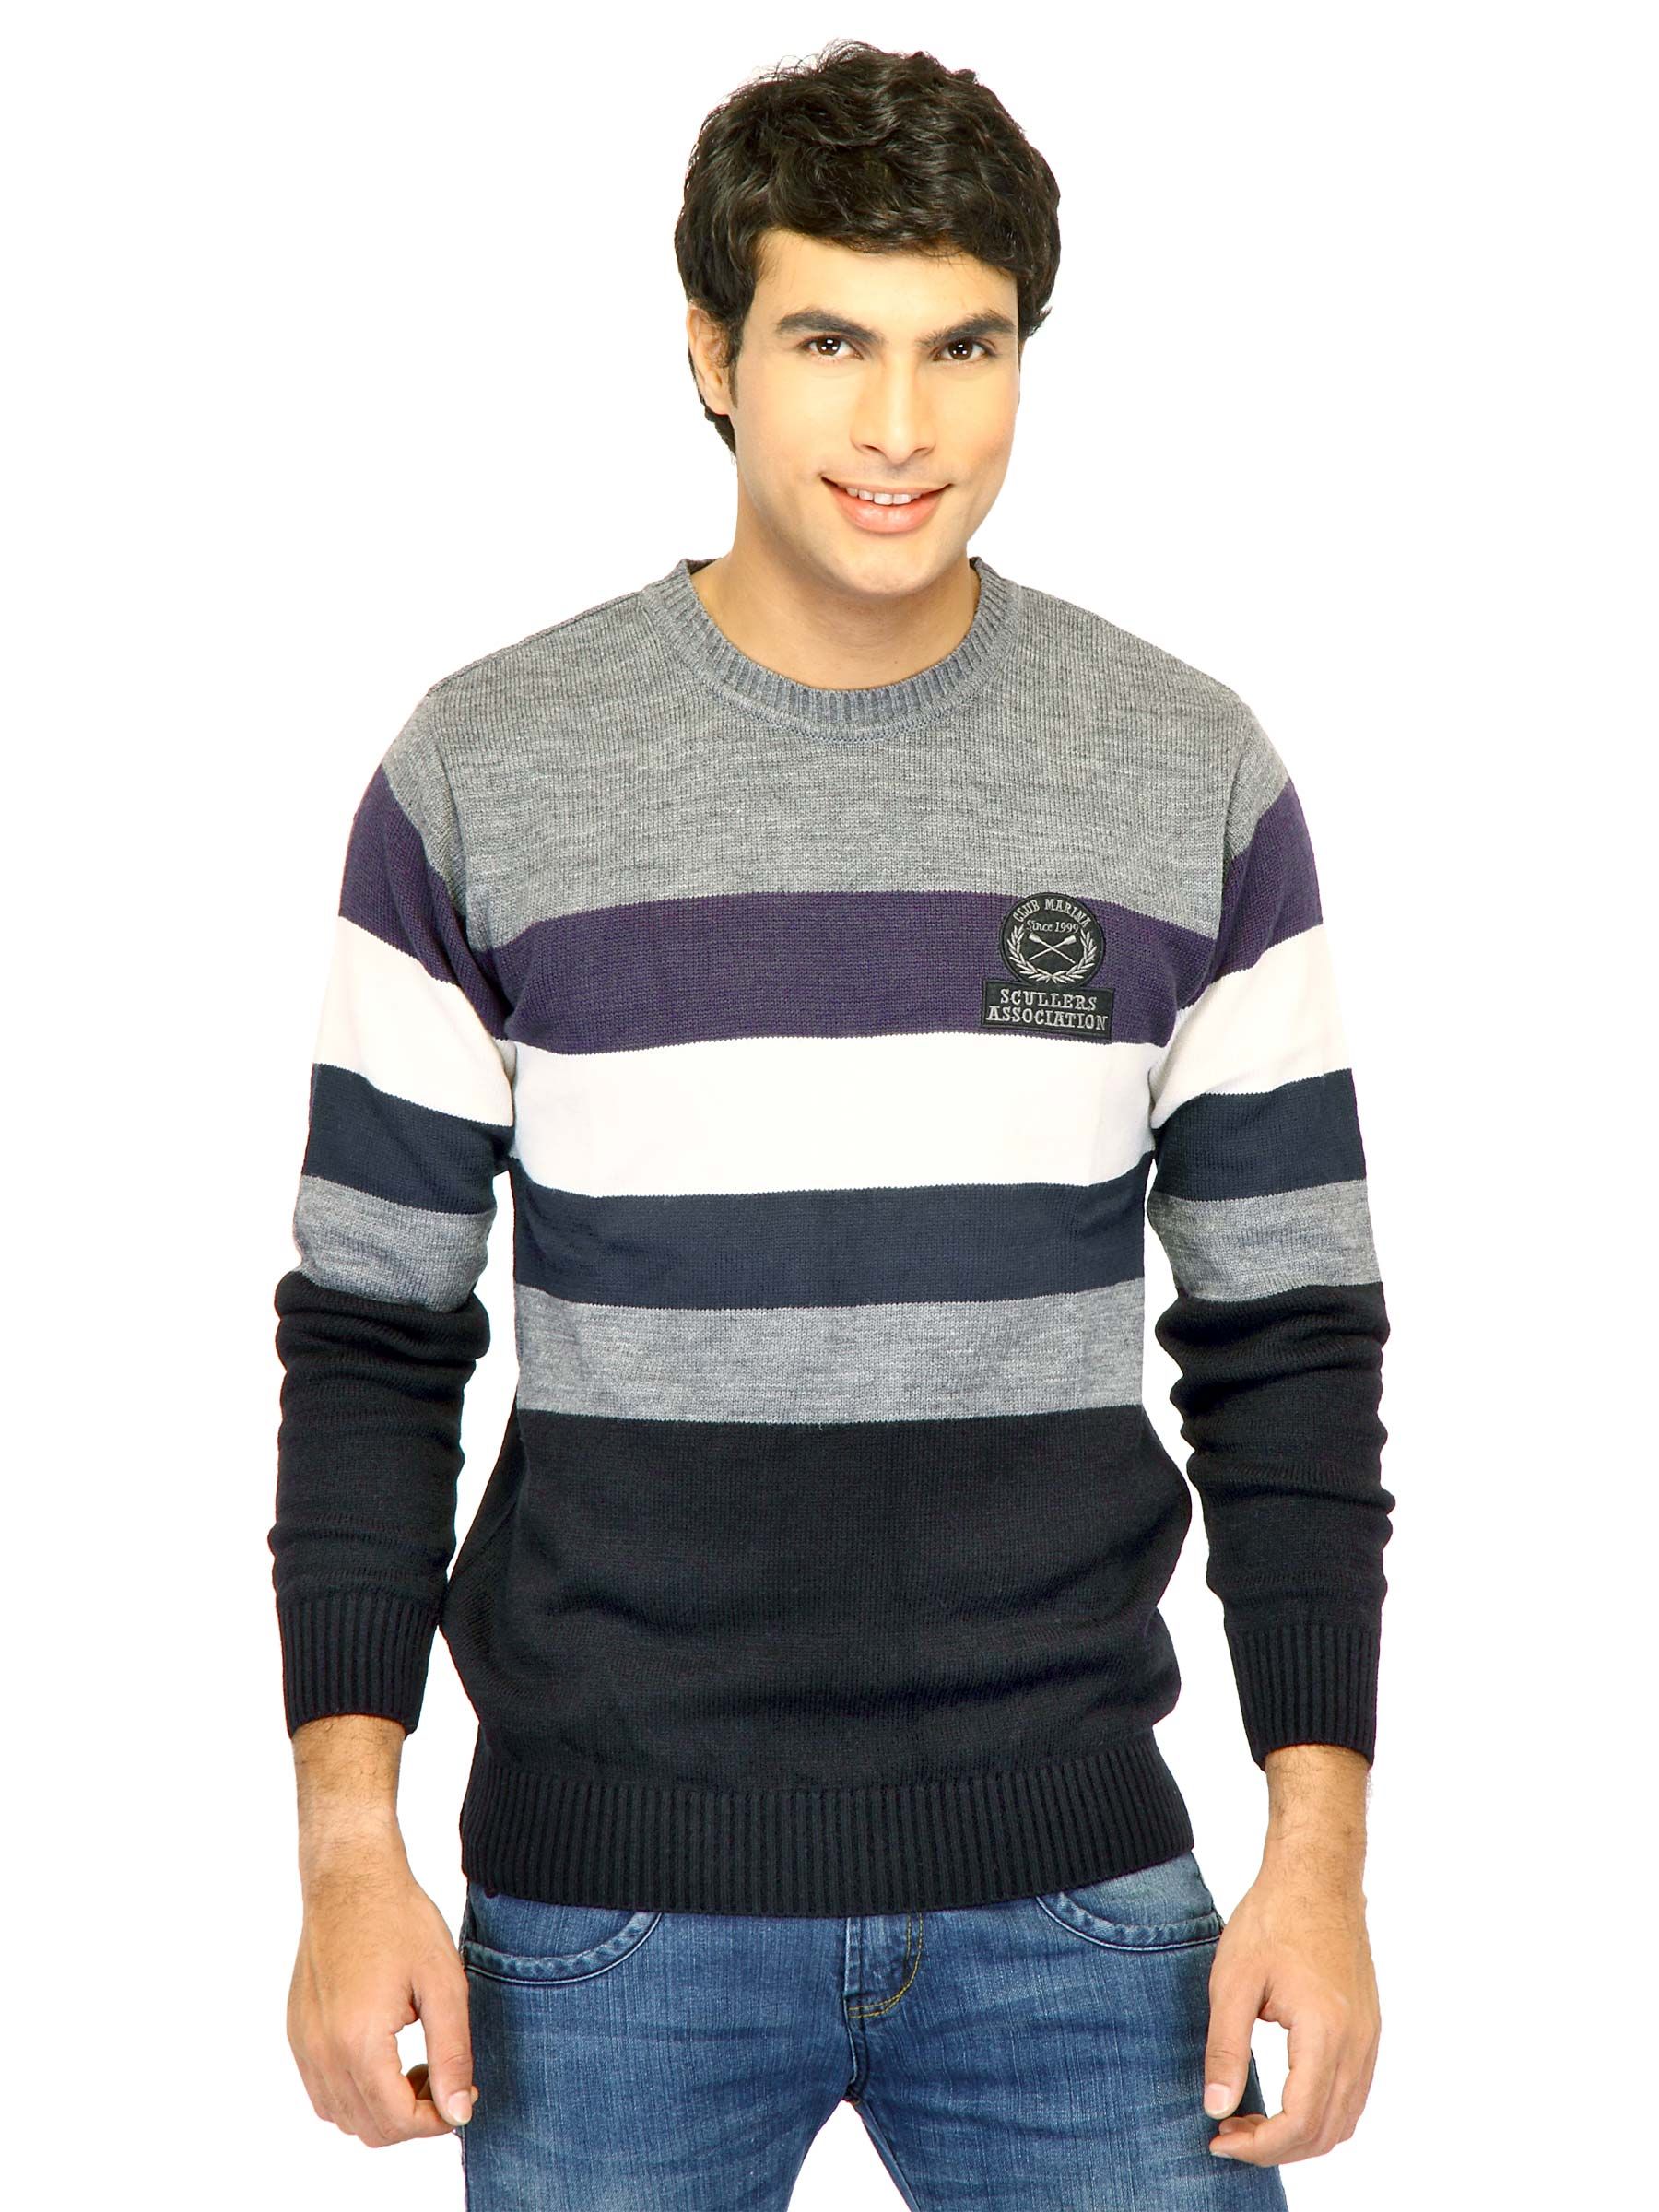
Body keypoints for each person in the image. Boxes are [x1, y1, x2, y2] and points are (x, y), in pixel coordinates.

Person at [271, 37, 1393, 2209]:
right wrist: (347, 1855)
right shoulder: (487, 771)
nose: (901, 428)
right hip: (610, 1914)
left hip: (1082, 1899)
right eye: (829, 342)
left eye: (963, 345)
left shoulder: (1186, 772)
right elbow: (376, 1338)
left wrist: (1318, 1860)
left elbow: (1290, 1345)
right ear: (711, 353)